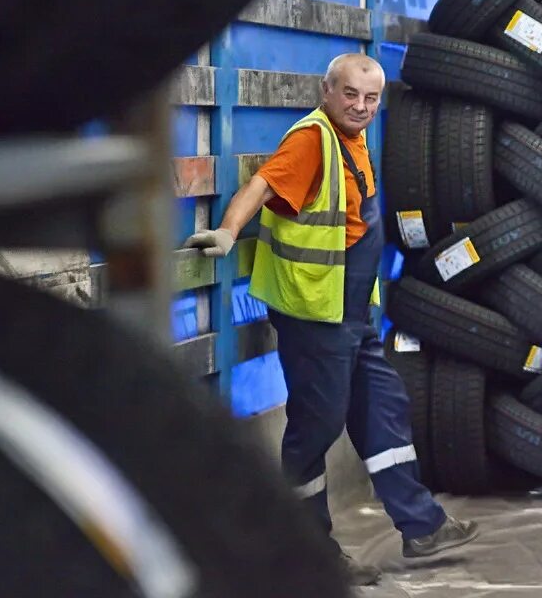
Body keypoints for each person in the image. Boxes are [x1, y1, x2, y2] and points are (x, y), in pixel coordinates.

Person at [185, 53, 477, 586]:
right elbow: (264, 186)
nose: (361, 107)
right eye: (350, 95)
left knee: (383, 409)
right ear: (327, 91)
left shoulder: (354, 138)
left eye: (371, 99)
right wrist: (227, 231)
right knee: (314, 429)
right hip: (314, 311)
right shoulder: (312, 140)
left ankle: (422, 527)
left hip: (351, 308)